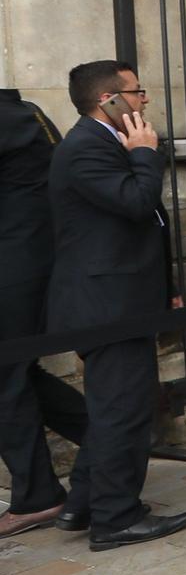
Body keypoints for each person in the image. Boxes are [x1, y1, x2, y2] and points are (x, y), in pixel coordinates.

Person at [45, 62, 186, 551]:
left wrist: (166, 286)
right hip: (105, 306)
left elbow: (144, 225)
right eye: (136, 92)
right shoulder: (85, 148)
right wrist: (146, 153)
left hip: (125, 299)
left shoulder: (104, 144)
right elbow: (136, 201)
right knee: (121, 412)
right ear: (108, 99)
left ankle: (84, 503)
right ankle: (115, 519)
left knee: (118, 406)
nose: (144, 100)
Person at [0, 89, 90, 537]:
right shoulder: (22, 111)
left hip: (18, 263)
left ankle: (38, 496)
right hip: (28, 257)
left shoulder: (7, 116)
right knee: (16, 371)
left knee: (7, 374)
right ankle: (106, 440)